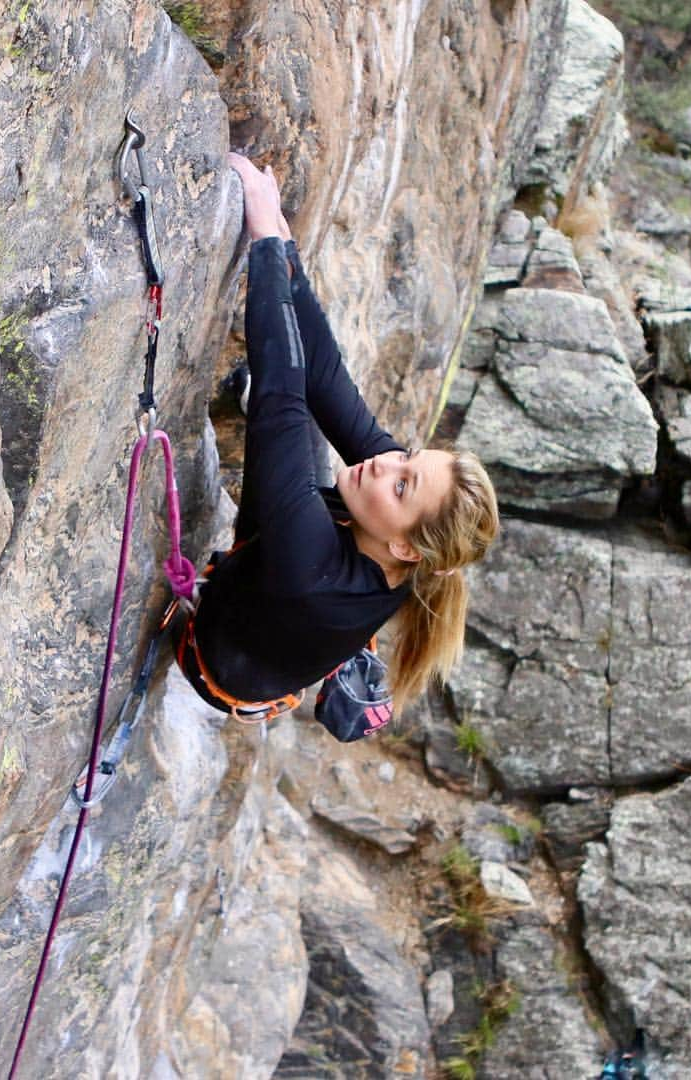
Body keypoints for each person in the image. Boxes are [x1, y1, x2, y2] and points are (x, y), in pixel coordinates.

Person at [173, 153, 499, 727]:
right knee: (307, 451)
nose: (386, 463)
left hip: (215, 653)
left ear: (404, 548)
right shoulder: (401, 527)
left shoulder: (313, 575)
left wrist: (265, 246)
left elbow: (285, 395)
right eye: (408, 457)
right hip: (281, 590)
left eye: (402, 484)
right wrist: (286, 255)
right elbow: (324, 378)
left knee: (289, 440)